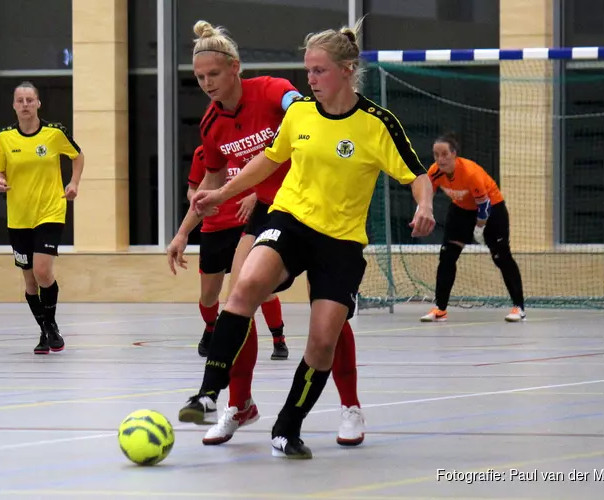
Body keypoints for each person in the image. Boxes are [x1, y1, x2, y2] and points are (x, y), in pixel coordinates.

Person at [179, 18, 435, 459]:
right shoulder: (299, 114)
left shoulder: (377, 123)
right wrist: (220, 193)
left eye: (320, 71)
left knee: (321, 341)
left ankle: (287, 426)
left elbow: (416, 175)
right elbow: (268, 159)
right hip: (290, 221)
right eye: (308, 71)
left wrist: (425, 205)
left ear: (347, 70)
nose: (311, 80)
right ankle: (207, 393)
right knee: (244, 288)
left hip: (340, 241)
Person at [168, 20, 367, 447]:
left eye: (214, 75)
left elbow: (315, 112)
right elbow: (212, 183)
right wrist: (184, 231)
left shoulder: (274, 91)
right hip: (271, 215)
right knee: (239, 297)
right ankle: (238, 403)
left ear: (235, 68)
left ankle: (350, 405)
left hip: (320, 213)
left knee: (328, 314)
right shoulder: (212, 124)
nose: (206, 84)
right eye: (199, 78)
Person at [0, 81, 85, 355]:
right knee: (30, 281)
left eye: (29, 100)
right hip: (19, 217)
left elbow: (77, 157)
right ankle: (46, 330)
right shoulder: (4, 138)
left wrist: (74, 183)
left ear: (38, 103)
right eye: (19, 100)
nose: (25, 105)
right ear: (13, 105)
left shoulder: (55, 134)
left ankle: (51, 327)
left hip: (50, 211)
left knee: (43, 272)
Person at [420, 133, 526, 323]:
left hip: (491, 210)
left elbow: (484, 206)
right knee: (447, 257)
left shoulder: (470, 173)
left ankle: (518, 307)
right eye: (436, 155)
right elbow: (427, 193)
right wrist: (423, 211)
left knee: (501, 257)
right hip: (460, 210)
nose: (440, 159)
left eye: (444, 154)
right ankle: (440, 309)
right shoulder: (435, 171)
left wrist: (479, 228)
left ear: (454, 154)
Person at [185, 144, 259, 357]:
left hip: (244, 227)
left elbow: (271, 180)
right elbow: (192, 190)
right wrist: (197, 201)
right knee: (208, 296)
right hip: (213, 230)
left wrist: (254, 197)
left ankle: (277, 337)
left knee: (248, 289)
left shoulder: (249, 149)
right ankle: (210, 328)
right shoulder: (203, 153)